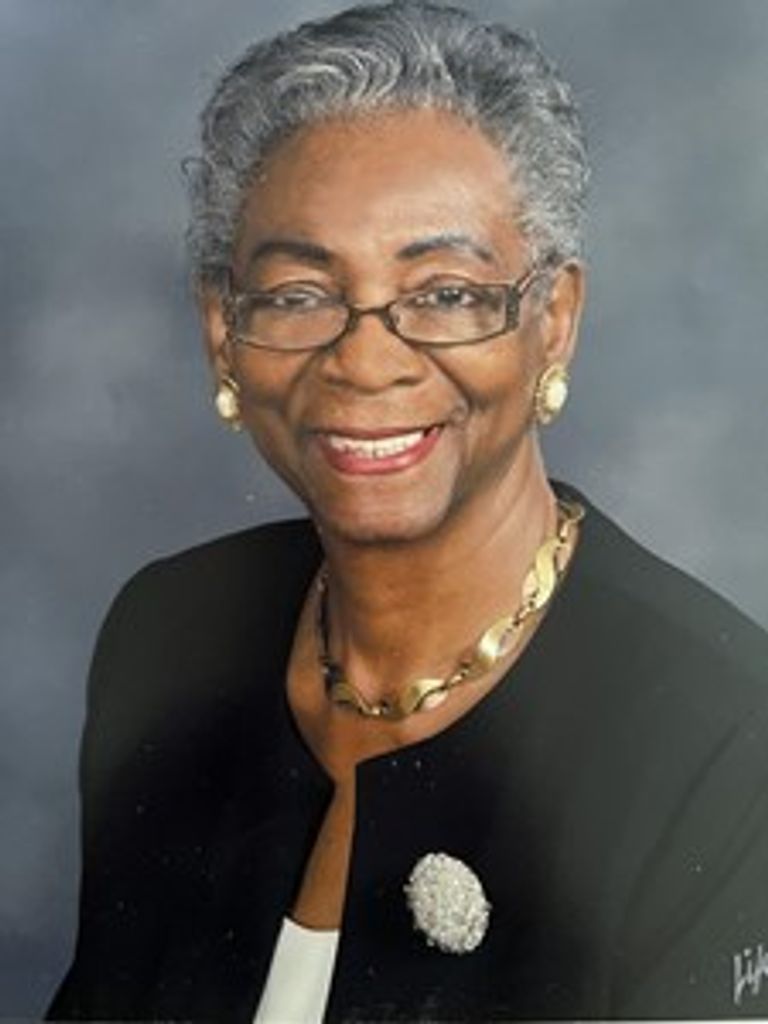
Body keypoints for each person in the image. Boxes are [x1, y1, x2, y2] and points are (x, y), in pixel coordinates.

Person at [47, 2, 768, 1020]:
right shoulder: (168, 634)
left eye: (445, 293)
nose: (365, 359)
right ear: (222, 330)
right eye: (298, 294)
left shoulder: (729, 743)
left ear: (553, 321)